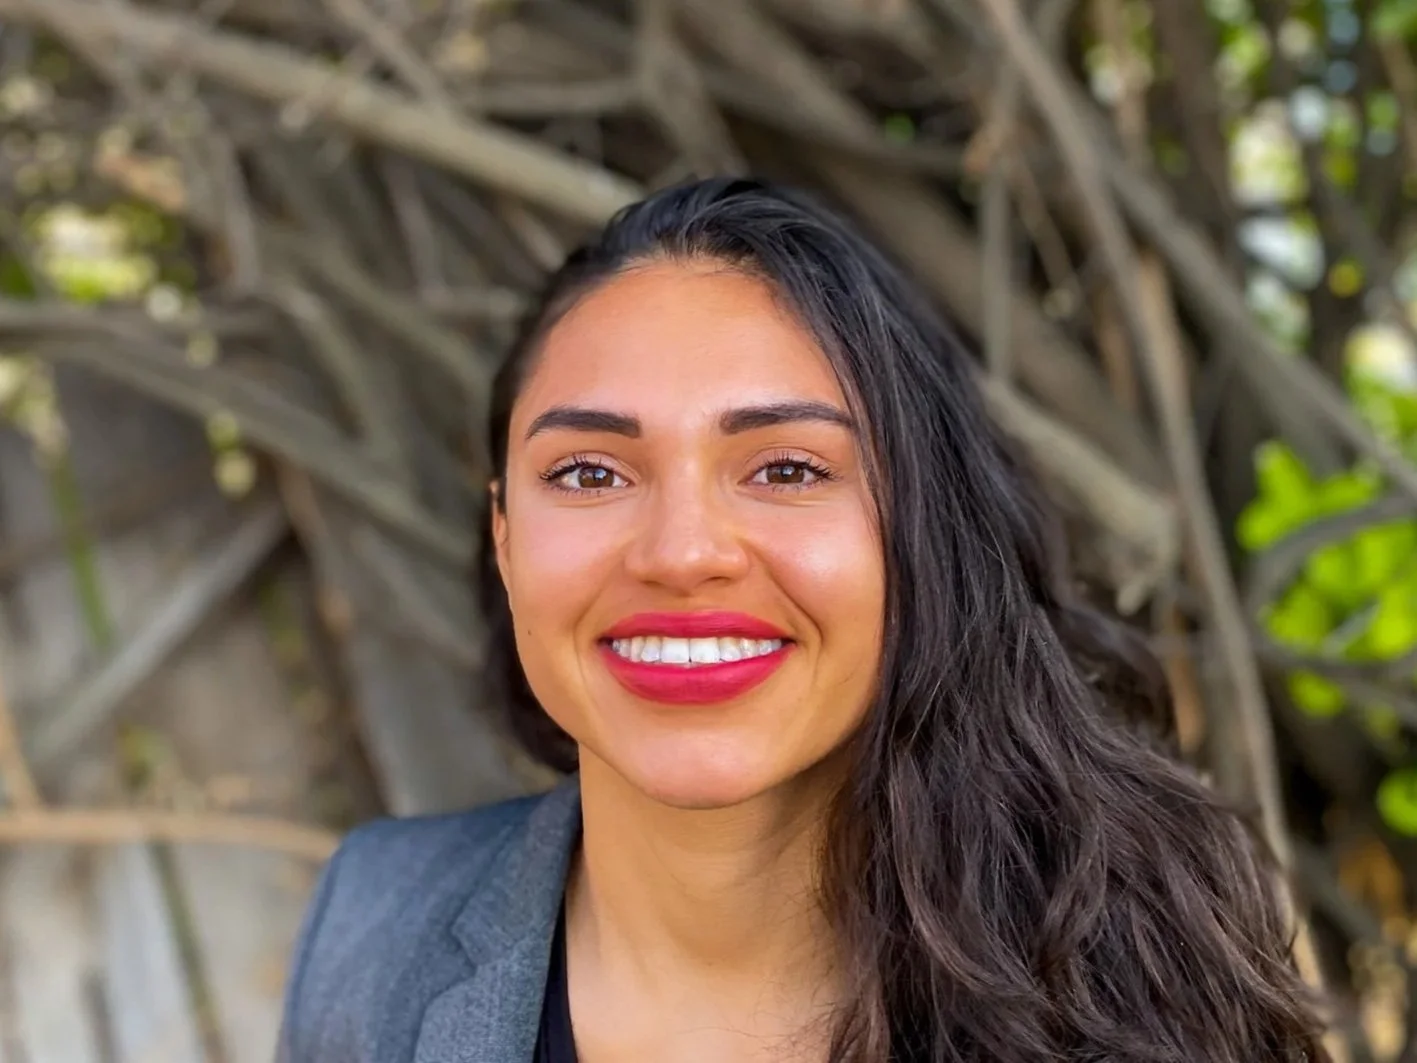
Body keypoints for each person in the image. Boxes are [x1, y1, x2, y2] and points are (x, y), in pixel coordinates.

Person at [275, 177, 1329, 1062]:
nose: (682, 551)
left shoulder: (1143, 978)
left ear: (921, 528)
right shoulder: (373, 925)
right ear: (505, 538)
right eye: (590, 472)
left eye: (785, 468)